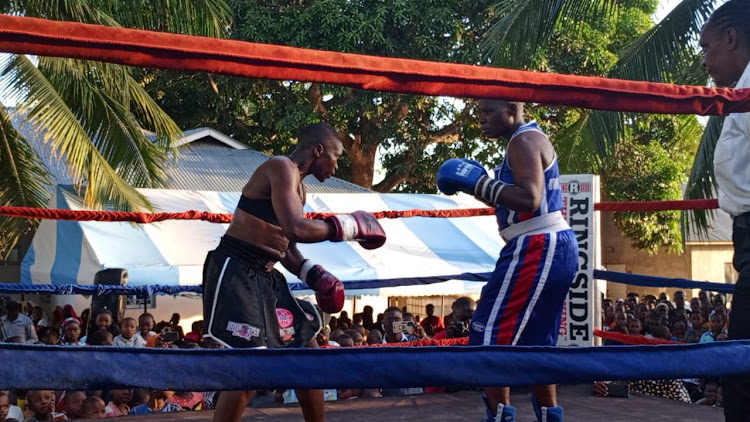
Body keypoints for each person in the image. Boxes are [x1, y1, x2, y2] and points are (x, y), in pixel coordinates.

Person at [202, 122, 386, 422]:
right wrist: (349, 227)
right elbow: (296, 229)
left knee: (307, 354)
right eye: (336, 157)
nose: (336, 167)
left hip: (266, 275)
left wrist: (313, 274)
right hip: (236, 269)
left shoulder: (298, 188)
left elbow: (283, 246)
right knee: (252, 368)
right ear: (318, 150)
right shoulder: (280, 167)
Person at [437, 99, 578, 422]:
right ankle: (548, 416)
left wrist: (480, 184)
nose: (482, 120)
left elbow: (530, 198)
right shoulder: (527, 139)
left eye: (488, 112)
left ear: (512, 110)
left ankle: (499, 417)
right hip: (550, 245)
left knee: (487, 334)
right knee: (535, 344)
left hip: (536, 244)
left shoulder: (523, 141)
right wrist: (482, 189)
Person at [700, 3, 750, 419]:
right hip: (745, 234)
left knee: (741, 367)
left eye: (708, 47)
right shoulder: (741, 94)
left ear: (731, 39)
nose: (705, 60)